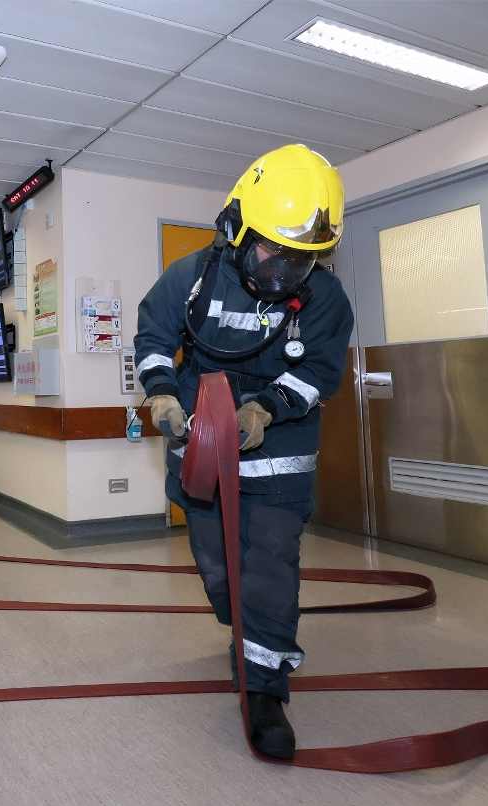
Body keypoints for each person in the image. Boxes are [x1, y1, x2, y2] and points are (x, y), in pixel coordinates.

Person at [133, 144, 353, 760]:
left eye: (302, 260)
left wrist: (268, 408)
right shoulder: (190, 278)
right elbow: (153, 337)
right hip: (201, 437)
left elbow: (318, 372)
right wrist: (161, 393)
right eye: (272, 253)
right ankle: (246, 631)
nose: (284, 272)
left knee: (269, 558)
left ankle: (264, 689)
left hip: (278, 443)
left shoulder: (326, 299)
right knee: (217, 564)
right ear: (236, 230)